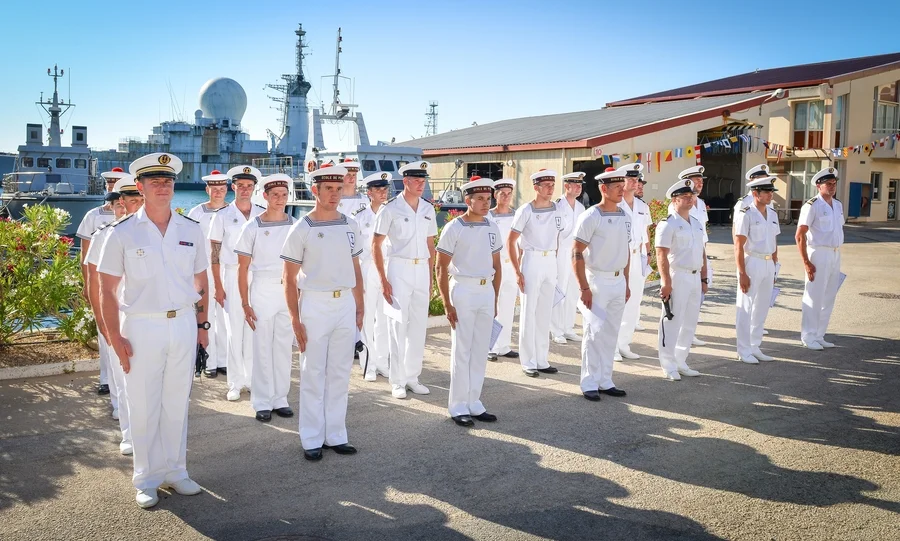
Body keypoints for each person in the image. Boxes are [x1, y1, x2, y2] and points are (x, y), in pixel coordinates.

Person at [97, 152, 209, 509]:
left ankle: (177, 471)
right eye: (155, 182)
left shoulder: (191, 229)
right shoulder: (122, 233)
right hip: (142, 327)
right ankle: (145, 478)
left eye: (168, 181)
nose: (163, 187)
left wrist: (203, 327)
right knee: (142, 405)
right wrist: (115, 337)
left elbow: (201, 280)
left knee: (177, 402)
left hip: (183, 323)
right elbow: (106, 291)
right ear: (140, 188)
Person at [281, 164, 364, 461]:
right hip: (314, 304)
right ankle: (312, 437)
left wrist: (360, 305)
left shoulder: (351, 224)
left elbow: (355, 267)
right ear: (315, 190)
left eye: (339, 188)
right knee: (313, 372)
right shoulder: (302, 228)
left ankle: (336, 435)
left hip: (345, 303)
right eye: (328, 188)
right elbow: (288, 278)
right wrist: (294, 318)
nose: (334, 194)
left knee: (340, 371)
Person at [435, 177, 503, 427]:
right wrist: (446, 303)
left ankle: (474, 402)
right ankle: (458, 406)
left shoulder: (491, 226)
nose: (486, 203)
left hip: (486, 291)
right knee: (462, 350)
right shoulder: (455, 227)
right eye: (480, 199)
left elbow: (497, 265)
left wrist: (494, 297)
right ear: (468, 201)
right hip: (463, 290)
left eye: (488, 199)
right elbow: (440, 267)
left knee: (480, 349)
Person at [84, 176, 144, 452]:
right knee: (122, 375)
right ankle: (130, 435)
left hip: (145, 318)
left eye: (137, 201)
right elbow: (96, 286)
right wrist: (105, 327)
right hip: (116, 316)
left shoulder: (156, 234)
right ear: (119, 205)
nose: (132, 207)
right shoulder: (104, 236)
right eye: (127, 202)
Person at [372, 161, 437, 399]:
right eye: (417, 181)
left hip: (421, 270)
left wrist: (430, 280)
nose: (421, 185)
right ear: (406, 182)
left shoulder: (428, 209)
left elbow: (431, 246)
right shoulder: (389, 209)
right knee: (397, 326)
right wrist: (383, 279)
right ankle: (397, 381)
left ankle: (412, 377)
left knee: (419, 327)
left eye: (423, 181)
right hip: (398, 268)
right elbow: (376, 245)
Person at [235, 174, 296, 422]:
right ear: (266, 196)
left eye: (284, 195)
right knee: (261, 347)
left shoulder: (294, 225)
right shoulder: (252, 227)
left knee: (282, 346)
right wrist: (245, 302)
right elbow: (242, 268)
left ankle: (280, 398)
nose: (280, 199)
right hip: (261, 289)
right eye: (275, 195)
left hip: (287, 289)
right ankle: (261, 401)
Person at [572, 167, 632, 401]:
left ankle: (605, 379)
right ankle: (588, 382)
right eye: (617, 187)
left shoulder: (623, 215)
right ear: (603, 189)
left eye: (622, 186)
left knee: (611, 332)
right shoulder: (591, 216)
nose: (621, 190)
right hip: (597, 281)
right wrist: (584, 287)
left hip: (618, 281)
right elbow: (576, 251)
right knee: (594, 332)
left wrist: (625, 282)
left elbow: (625, 250)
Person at [209, 165, 265, 401]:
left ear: (254, 188)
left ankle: (251, 379)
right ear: (233, 187)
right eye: (240, 185)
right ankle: (234, 382)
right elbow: (214, 254)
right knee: (233, 331)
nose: (244, 189)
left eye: (249, 186)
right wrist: (218, 286)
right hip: (231, 274)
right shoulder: (221, 216)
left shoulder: (262, 213)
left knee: (254, 329)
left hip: (257, 275)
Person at [507, 169, 568, 377]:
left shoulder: (558, 210)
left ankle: (542, 359)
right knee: (529, 312)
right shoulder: (526, 210)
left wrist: (555, 264)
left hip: (550, 259)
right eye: (546, 185)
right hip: (531, 260)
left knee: (544, 313)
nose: (551, 189)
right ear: (536, 187)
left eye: (552, 185)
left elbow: (558, 238)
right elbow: (511, 241)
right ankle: (528, 361)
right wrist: (517, 271)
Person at [76, 166, 126, 395]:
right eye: (110, 182)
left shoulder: (130, 213)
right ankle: (106, 378)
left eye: (117, 182)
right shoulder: (94, 215)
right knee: (103, 330)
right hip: (101, 280)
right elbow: (85, 255)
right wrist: (87, 283)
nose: (112, 185)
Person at [655, 178, 707, 381]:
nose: (690, 200)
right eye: (685, 197)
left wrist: (704, 278)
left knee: (690, 321)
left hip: (694, 276)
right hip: (678, 276)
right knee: (672, 321)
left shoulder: (695, 223)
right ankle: (668, 364)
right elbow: (661, 254)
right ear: (674, 200)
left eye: (692, 196)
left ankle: (681, 360)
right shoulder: (668, 224)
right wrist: (665, 282)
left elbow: (701, 251)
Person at [187, 170, 230, 377]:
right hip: (202, 271)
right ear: (207, 190)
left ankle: (224, 360)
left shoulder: (231, 213)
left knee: (225, 317)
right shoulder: (197, 213)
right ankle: (209, 361)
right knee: (206, 315)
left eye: (222, 189)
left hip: (226, 271)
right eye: (215, 189)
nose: (218, 193)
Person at [796, 167, 844, 350]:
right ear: (818, 186)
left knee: (829, 296)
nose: (832, 187)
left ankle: (819, 334)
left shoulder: (837, 205)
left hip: (834, 252)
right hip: (818, 253)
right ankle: (808, 336)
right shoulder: (812, 205)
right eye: (828, 184)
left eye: (834, 184)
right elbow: (800, 235)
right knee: (814, 296)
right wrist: (806, 262)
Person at [734, 175, 781, 364]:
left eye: (771, 191)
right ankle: (743, 350)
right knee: (746, 308)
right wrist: (742, 273)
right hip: (752, 261)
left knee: (761, 307)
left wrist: (775, 266)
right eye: (767, 191)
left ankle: (755, 346)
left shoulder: (773, 213)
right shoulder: (746, 213)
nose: (770, 195)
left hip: (768, 263)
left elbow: (774, 241)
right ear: (755, 193)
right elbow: (738, 245)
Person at [352, 172, 391, 381]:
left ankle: (383, 363)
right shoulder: (359, 217)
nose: (383, 193)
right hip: (367, 270)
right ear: (369, 193)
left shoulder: (392, 213)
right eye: (378, 190)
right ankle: (368, 364)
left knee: (384, 319)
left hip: (386, 269)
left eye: (385, 189)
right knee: (366, 318)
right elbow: (355, 251)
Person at [667, 166, 710, 347]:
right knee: (680, 303)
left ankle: (689, 333)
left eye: (701, 181)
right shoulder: (677, 205)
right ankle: (678, 338)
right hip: (682, 258)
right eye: (696, 180)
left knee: (695, 299)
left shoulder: (699, 203)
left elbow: (702, 231)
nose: (699, 184)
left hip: (699, 253)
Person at [616, 163, 651, 359]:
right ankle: (612, 347)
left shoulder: (642, 207)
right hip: (620, 258)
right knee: (618, 302)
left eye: (636, 179)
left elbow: (645, 233)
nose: (634, 182)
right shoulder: (615, 205)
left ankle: (624, 343)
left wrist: (648, 256)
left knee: (634, 301)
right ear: (621, 181)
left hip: (638, 257)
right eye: (630, 178)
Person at [550, 172, 587, 345]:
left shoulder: (581, 208)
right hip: (561, 253)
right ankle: (556, 329)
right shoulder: (557, 206)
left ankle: (567, 327)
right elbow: (554, 234)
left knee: (573, 291)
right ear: (567, 186)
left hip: (575, 254)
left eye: (580, 185)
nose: (579, 187)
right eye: (576, 184)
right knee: (560, 290)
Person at [487, 178, 520, 362]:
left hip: (510, 265)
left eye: (509, 194)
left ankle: (504, 345)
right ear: (495, 195)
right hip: (494, 266)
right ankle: (489, 346)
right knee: (493, 307)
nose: (506, 197)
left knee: (508, 306)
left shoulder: (516, 215)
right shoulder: (489, 216)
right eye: (502, 194)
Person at [633, 175, 651, 331]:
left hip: (642, 252)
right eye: (638, 184)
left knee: (639, 289)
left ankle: (635, 319)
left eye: (641, 185)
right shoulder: (623, 204)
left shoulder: (643, 206)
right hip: (630, 252)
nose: (640, 187)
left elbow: (646, 230)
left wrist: (649, 251)